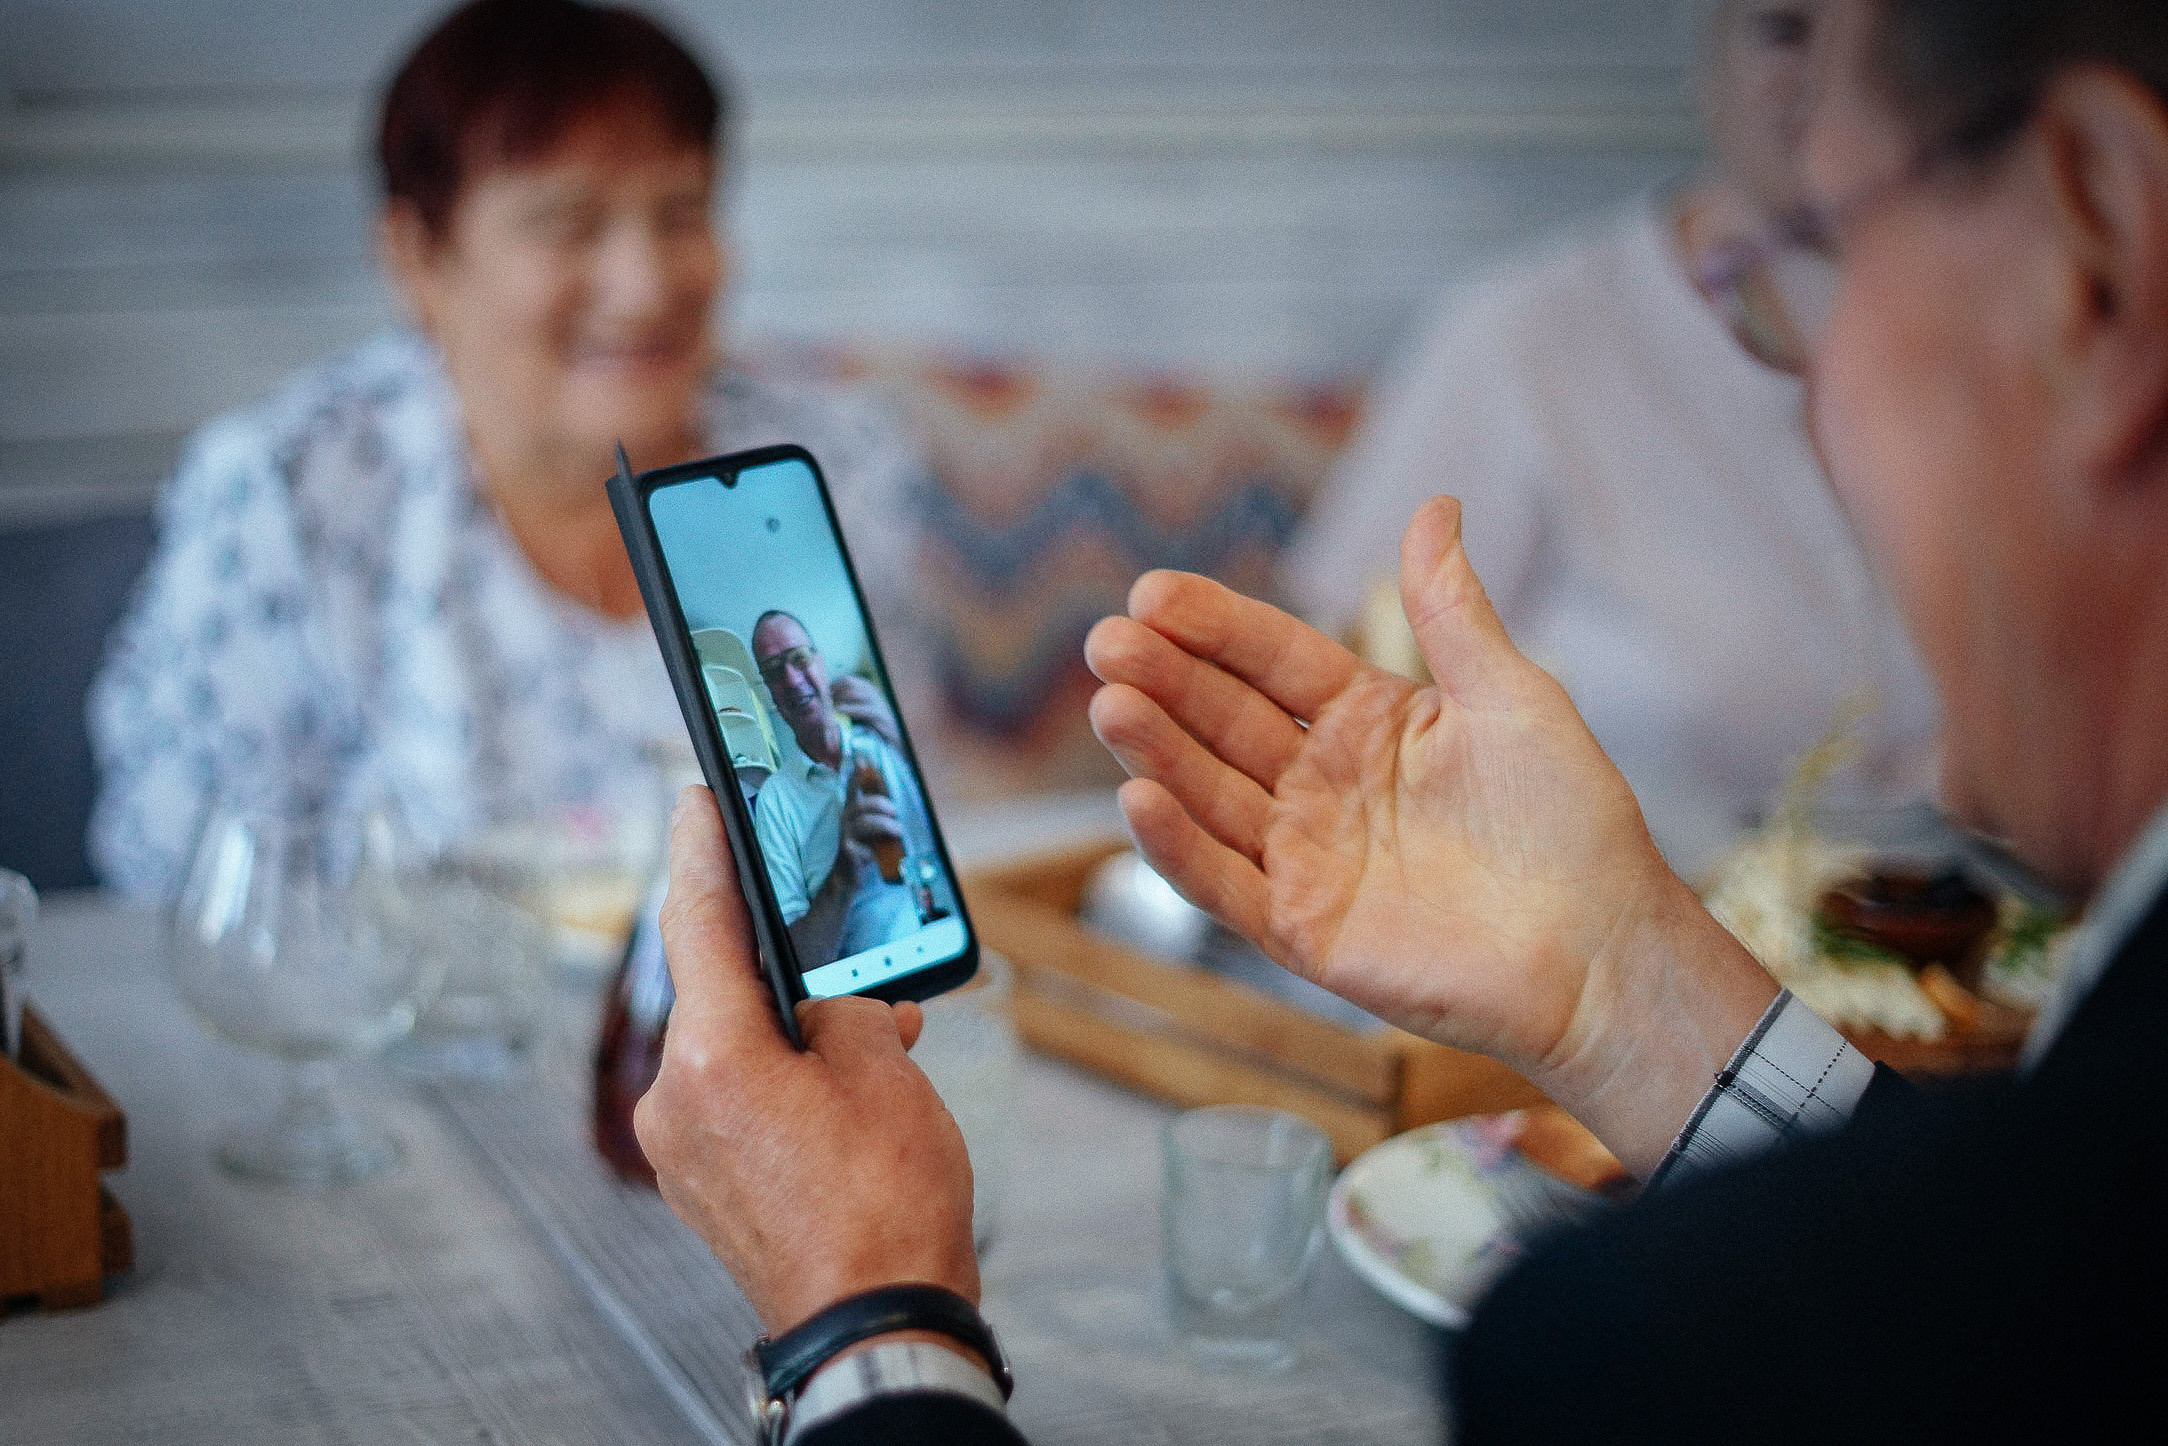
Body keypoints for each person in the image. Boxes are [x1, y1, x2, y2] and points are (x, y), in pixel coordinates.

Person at [634, 0, 2168, 1441]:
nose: (1803, 402)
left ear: (2096, 242)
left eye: (1835, 250)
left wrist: (867, 1318)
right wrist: (1617, 986)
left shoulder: (1651, 1347)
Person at [86, 0, 921, 896]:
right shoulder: (288, 497)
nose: (645, 287)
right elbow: (176, 893)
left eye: (681, 213)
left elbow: (889, 827)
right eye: (569, 223)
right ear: (417, 257)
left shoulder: (830, 456)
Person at [1283, 0, 1941, 879]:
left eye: (1880, 37)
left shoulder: (2021, 333)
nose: (1833, 74)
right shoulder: (1528, 338)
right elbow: (1346, 683)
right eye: (1786, 30)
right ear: (1709, 60)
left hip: (1980, 952)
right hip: (1630, 946)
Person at [749, 611, 936, 970]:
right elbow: (798, 961)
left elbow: (943, 847)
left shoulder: (881, 744)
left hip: (934, 943)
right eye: (773, 671)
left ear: (821, 665)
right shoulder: (774, 799)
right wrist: (843, 870)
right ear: (770, 691)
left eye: (799, 659)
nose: (790, 679)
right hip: (858, 984)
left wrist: (900, 738)